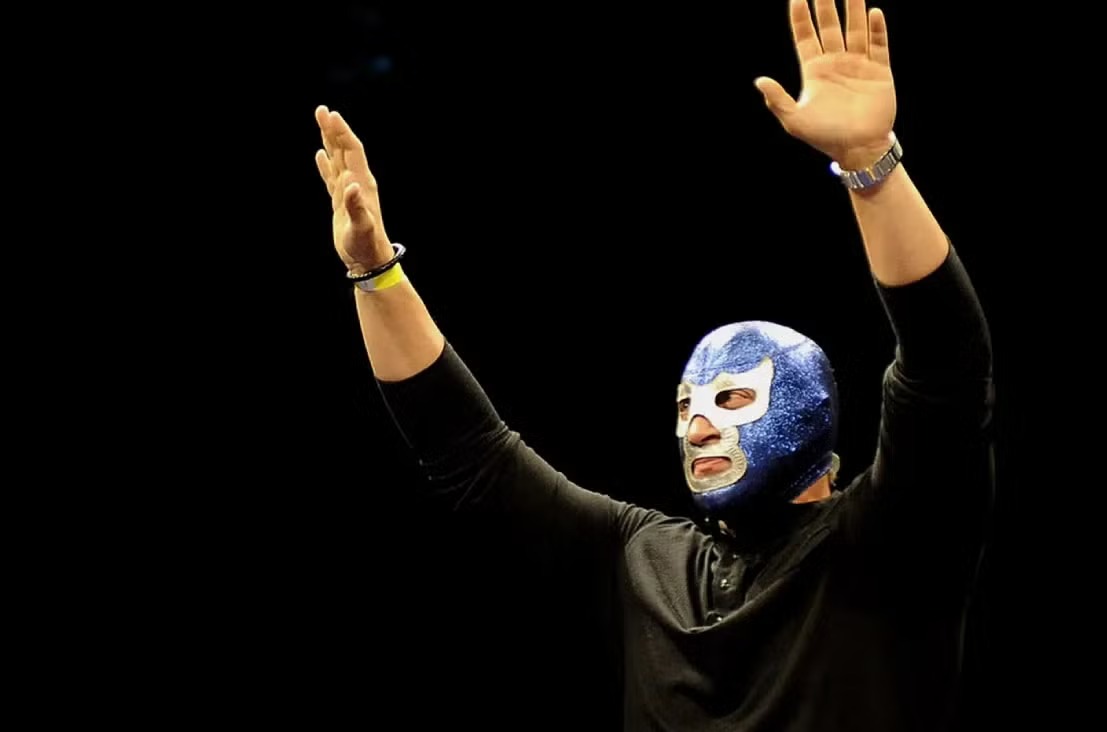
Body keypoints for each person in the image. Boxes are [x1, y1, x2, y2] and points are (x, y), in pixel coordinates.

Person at [313, 1, 994, 729]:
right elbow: (469, 452)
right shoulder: (646, 560)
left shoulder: (891, 537)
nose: (697, 427)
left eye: (731, 399)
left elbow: (946, 365)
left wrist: (869, 165)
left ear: (812, 411)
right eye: (684, 407)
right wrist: (375, 274)